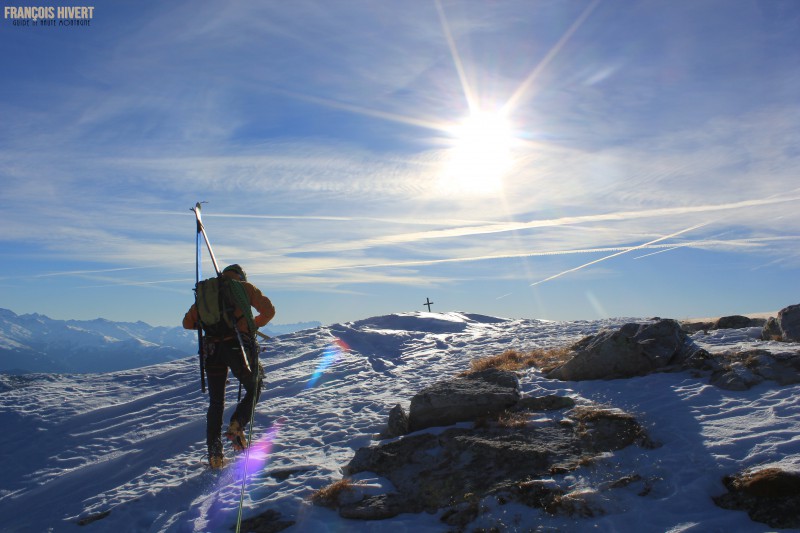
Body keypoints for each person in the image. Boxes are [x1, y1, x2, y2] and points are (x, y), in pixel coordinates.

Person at [183, 264, 275, 468]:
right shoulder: (244, 288)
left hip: (212, 350)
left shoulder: (207, 293)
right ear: (241, 276)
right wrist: (252, 324)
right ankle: (237, 424)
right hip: (237, 346)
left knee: (216, 402)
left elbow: (187, 323)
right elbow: (269, 311)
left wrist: (210, 325)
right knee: (255, 384)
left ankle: (215, 455)